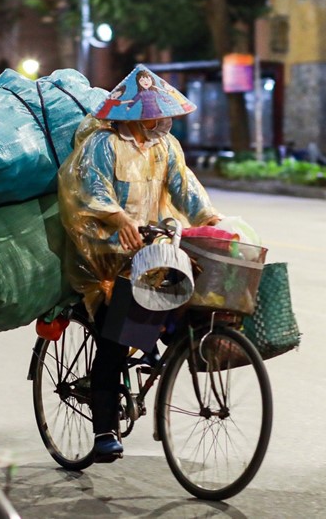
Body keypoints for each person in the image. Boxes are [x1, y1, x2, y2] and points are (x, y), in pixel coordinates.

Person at [57, 65, 221, 462]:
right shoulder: (103, 144)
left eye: (162, 114)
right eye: (153, 115)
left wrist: (210, 220)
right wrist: (117, 218)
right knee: (114, 342)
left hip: (151, 249)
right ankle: (103, 431)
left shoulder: (165, 146)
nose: (161, 121)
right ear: (132, 114)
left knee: (178, 312)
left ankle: (147, 352)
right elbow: (86, 187)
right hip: (106, 254)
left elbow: (185, 186)